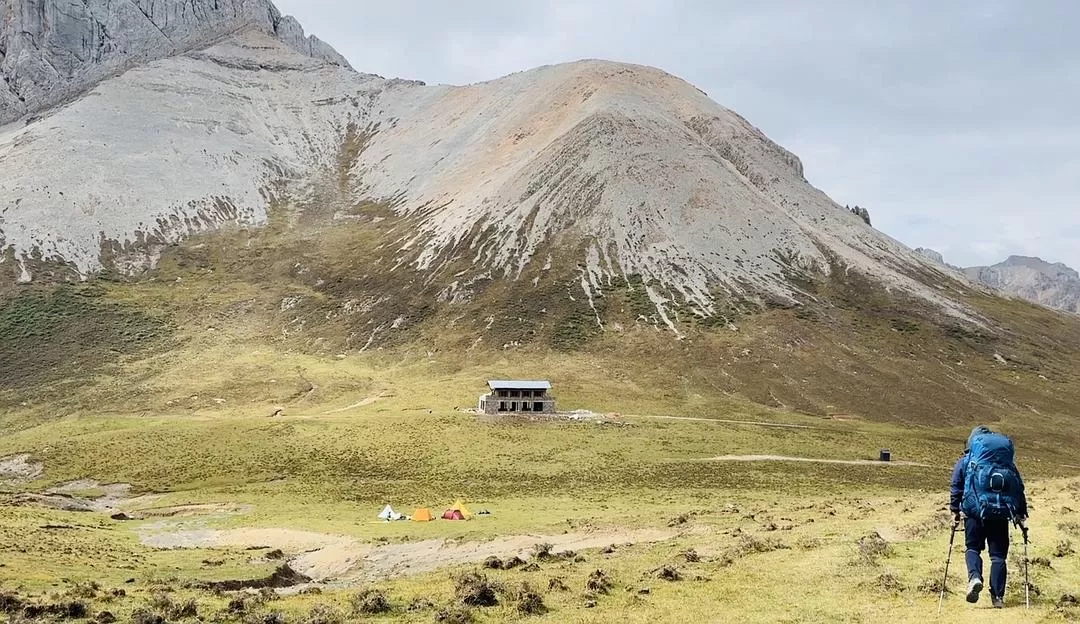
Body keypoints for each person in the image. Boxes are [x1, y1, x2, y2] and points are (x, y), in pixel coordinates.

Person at [950, 426, 1028, 609]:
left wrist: (954, 510)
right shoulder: (1007, 464)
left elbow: (956, 486)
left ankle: (975, 577)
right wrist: (1021, 514)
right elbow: (1018, 488)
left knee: (973, 548)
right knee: (998, 556)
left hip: (974, 513)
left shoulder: (966, 461)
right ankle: (998, 597)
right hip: (1000, 514)